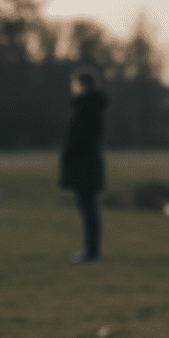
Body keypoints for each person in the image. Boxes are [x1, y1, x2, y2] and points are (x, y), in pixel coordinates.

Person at [59, 69, 108, 262]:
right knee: (89, 209)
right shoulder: (89, 108)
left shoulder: (87, 109)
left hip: (85, 166)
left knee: (88, 209)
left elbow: (80, 140)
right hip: (87, 165)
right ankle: (91, 250)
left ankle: (92, 251)